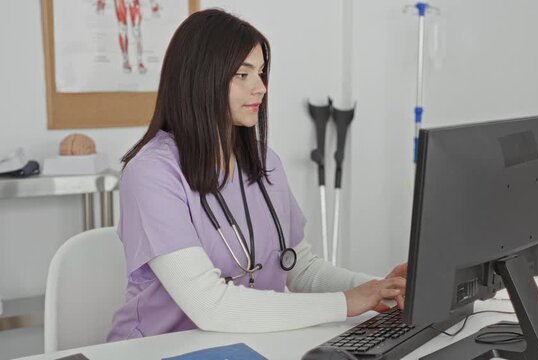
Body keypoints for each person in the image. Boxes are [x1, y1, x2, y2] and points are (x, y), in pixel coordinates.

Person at [107, 8, 407, 342]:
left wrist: (378, 289)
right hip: (160, 349)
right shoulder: (152, 173)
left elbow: (298, 267)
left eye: (262, 73)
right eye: (243, 75)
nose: (261, 88)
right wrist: (347, 303)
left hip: (250, 343)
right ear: (200, 78)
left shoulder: (265, 162)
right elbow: (209, 305)